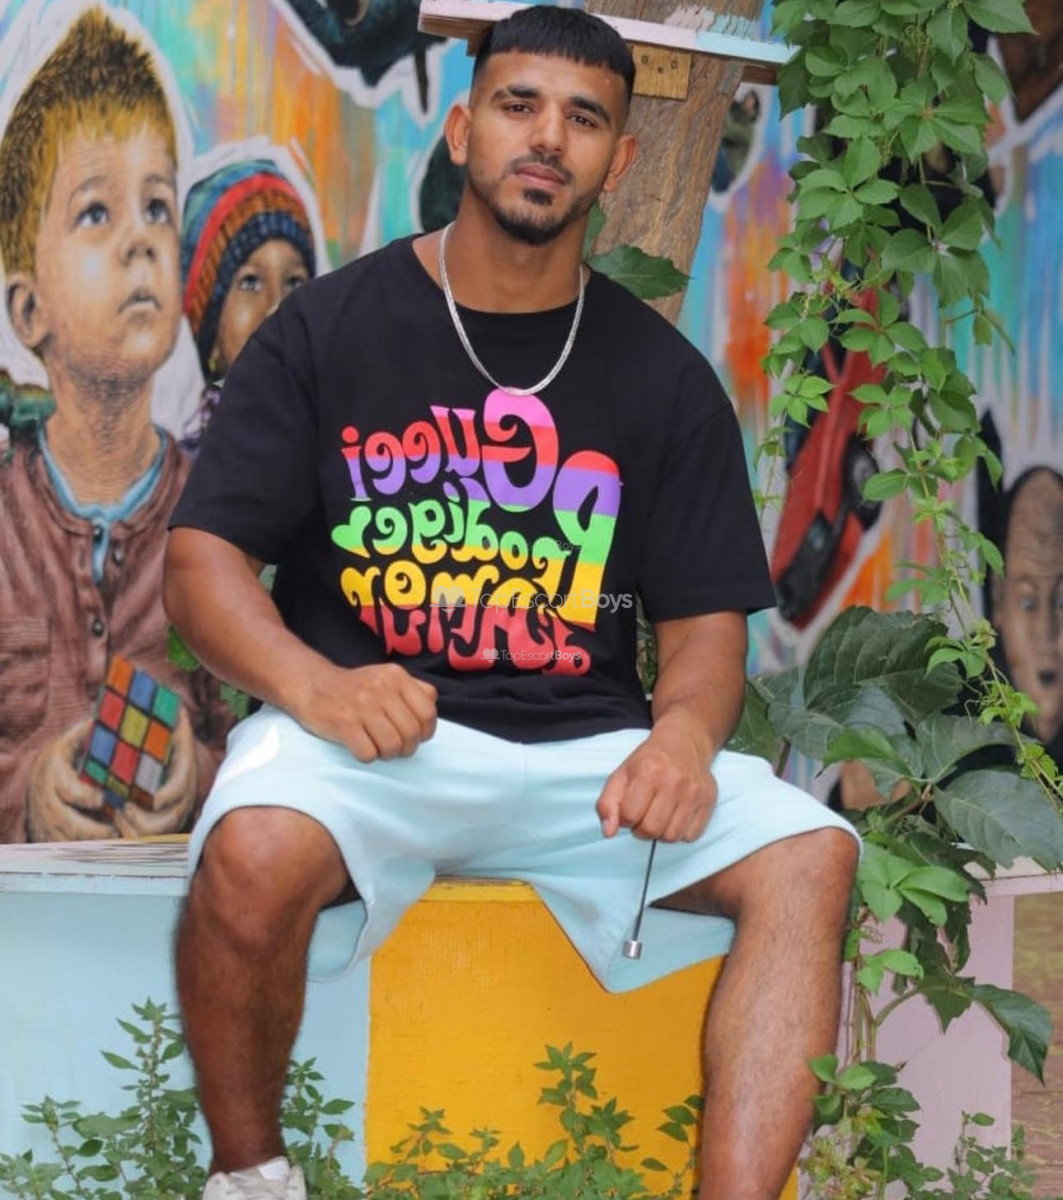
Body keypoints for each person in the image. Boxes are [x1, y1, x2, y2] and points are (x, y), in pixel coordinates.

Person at [164, 8, 860, 1200]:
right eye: (519, 105)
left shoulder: (661, 378)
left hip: (584, 764)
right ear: (461, 129)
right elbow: (200, 564)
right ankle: (250, 1180)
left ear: (618, 161)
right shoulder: (328, 331)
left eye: (583, 119)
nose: (547, 138)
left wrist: (682, 741)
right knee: (251, 849)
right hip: (371, 744)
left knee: (810, 853)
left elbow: (705, 628)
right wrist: (316, 687)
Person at [0, 8, 230, 842]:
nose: (141, 240)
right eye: (97, 213)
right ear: (29, 309)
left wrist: (200, 779)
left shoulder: (223, 522)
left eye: (158, 206)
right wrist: (26, 796)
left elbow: (270, 736)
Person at [179, 158, 317, 455]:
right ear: (211, 342)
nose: (277, 306)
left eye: (294, 282)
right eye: (251, 282)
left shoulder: (337, 456)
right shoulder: (192, 473)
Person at [990, 467, 1063, 763]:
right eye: (1027, 603)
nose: (1046, 632)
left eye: (1062, 601)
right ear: (999, 601)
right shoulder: (954, 702)